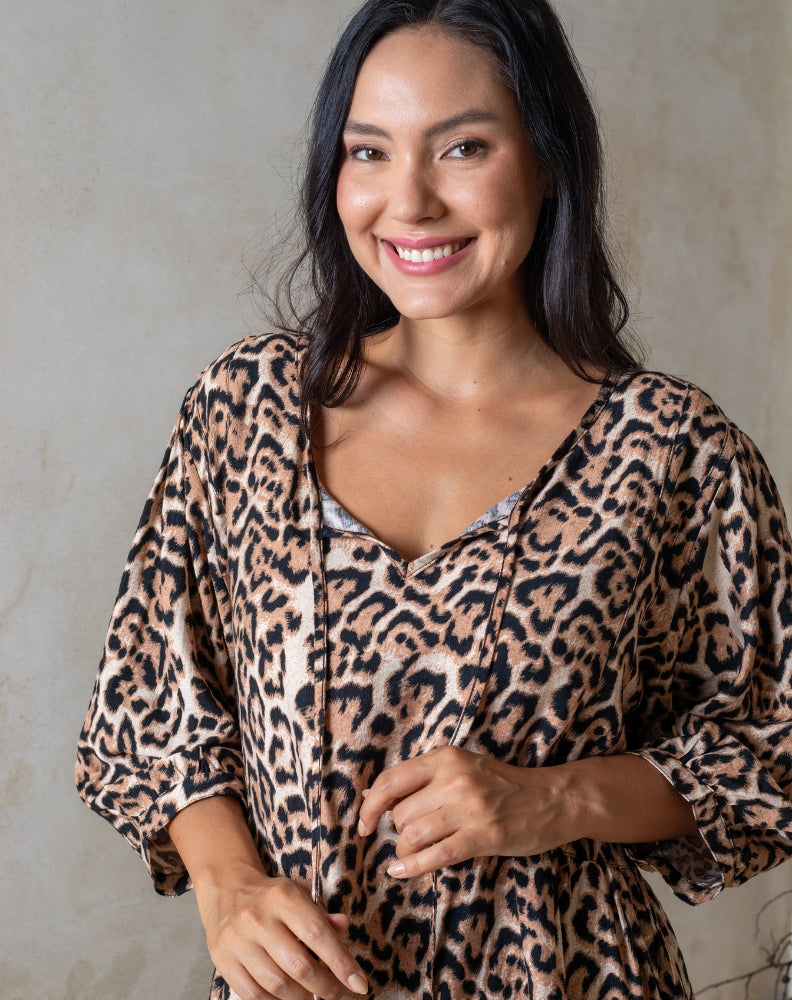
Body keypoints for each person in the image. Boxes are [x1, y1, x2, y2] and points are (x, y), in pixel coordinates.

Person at [75, 0, 792, 998]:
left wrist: (555, 798)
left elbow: (770, 749)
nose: (407, 202)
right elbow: (151, 714)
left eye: (461, 147)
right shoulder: (243, 411)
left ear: (546, 160)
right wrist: (229, 883)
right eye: (368, 152)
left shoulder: (672, 449)